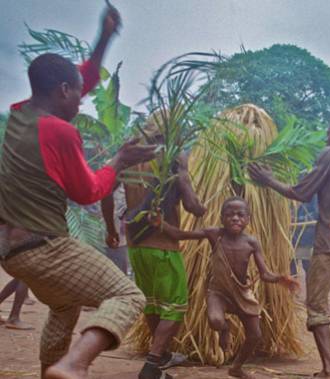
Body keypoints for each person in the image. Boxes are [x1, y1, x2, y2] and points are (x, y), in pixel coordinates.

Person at [0, 4, 157, 379]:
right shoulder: (59, 130)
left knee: (63, 306)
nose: (82, 101)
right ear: (62, 90)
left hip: (12, 252)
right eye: (77, 96)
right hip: (45, 246)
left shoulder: (20, 114)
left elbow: (81, 79)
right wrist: (119, 161)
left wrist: (105, 37)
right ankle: (75, 364)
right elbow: (88, 191)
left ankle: (50, 372)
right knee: (128, 295)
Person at [249, 113, 330, 378]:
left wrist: (268, 179)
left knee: (317, 305)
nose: (326, 136)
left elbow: (301, 193)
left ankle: (329, 369)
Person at [102, 120, 207, 379]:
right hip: (163, 246)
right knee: (175, 305)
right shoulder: (174, 156)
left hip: (136, 245)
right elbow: (192, 204)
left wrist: (111, 229)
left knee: (152, 304)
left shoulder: (130, 157)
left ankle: (164, 356)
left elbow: (105, 192)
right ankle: (152, 364)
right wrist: (201, 208)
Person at [160, 196, 298, 379]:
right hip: (218, 292)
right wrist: (160, 223)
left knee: (255, 335)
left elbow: (264, 274)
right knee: (216, 321)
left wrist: (280, 278)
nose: (235, 218)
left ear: (248, 219)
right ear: (221, 217)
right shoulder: (214, 234)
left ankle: (237, 367)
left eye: (240, 215)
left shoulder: (251, 242)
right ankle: (225, 329)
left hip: (242, 293)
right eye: (230, 214)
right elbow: (181, 235)